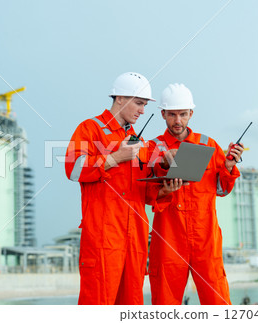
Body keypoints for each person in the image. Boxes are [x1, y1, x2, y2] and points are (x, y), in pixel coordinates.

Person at [65, 72, 183, 305]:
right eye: (139, 103)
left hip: (136, 238)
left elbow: (145, 194)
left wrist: (165, 189)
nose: (142, 110)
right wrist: (116, 156)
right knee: (98, 302)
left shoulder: (138, 142)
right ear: (120, 98)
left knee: (131, 306)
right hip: (103, 237)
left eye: (144, 105)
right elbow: (74, 170)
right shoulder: (90, 129)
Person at [147, 83, 244, 305]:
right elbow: (145, 193)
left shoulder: (207, 145)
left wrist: (228, 166)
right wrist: (163, 185)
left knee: (217, 301)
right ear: (163, 114)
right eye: (172, 114)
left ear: (191, 113)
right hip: (169, 237)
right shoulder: (152, 148)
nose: (177, 121)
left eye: (182, 114)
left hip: (205, 237)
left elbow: (222, 189)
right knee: (165, 303)